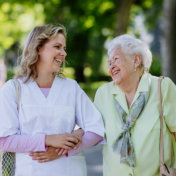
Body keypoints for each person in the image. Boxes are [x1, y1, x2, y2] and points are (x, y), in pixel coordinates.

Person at [0, 24, 104, 176]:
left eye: (64, 48)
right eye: (57, 46)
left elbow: (96, 130)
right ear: (38, 48)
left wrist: (63, 151)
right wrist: (48, 140)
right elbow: (5, 140)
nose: (63, 53)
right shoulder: (13, 89)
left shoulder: (71, 88)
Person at [94, 34, 176, 176]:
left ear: (136, 60)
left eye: (116, 59)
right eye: (109, 63)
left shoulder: (162, 88)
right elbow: (89, 130)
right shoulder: (103, 93)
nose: (111, 66)